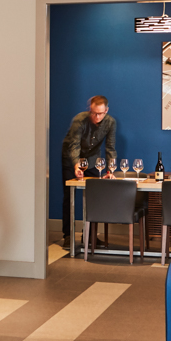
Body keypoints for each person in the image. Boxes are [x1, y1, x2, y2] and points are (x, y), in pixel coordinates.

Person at [60, 95, 118, 245]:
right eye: (93, 113)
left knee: (95, 196)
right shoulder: (79, 120)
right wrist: (76, 165)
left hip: (93, 160)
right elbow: (74, 145)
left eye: (100, 113)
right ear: (89, 109)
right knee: (69, 196)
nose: (96, 117)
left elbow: (110, 148)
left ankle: (90, 236)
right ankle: (68, 235)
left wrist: (110, 169)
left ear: (106, 110)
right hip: (71, 158)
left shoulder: (110, 122)